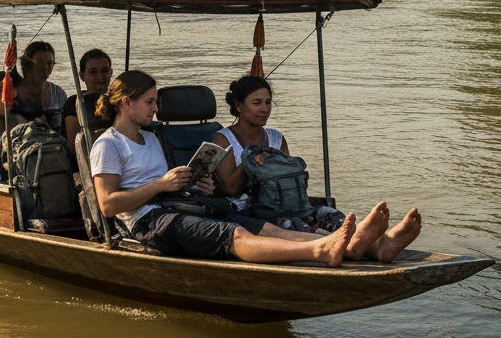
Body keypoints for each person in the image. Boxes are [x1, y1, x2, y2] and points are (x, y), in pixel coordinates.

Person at [88, 70, 415, 267]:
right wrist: (161, 185)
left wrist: (192, 184)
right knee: (234, 232)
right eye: (149, 102)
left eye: (156, 101)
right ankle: (320, 249)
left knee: (263, 227)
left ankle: (371, 245)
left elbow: (168, 183)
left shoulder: (153, 138)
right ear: (126, 103)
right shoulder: (108, 144)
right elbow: (108, 204)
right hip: (149, 221)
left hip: (178, 204)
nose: (156, 108)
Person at [211, 75, 421, 262]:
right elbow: (230, 189)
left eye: (268, 102)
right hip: (253, 210)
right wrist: (251, 158)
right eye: (256, 103)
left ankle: (380, 245)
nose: (264, 109)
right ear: (238, 105)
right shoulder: (223, 139)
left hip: (289, 203)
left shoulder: (276, 137)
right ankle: (361, 247)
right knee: (295, 225)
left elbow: (291, 179)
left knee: (329, 215)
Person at [63, 48, 113, 147]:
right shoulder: (75, 103)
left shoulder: (116, 101)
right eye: (93, 72)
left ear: (111, 72)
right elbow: (74, 145)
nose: (100, 76)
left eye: (105, 71)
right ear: (82, 75)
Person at [12, 41, 67, 120]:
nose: (45, 67)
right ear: (29, 63)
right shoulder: (16, 93)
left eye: (49, 63)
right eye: (40, 62)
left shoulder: (58, 93)